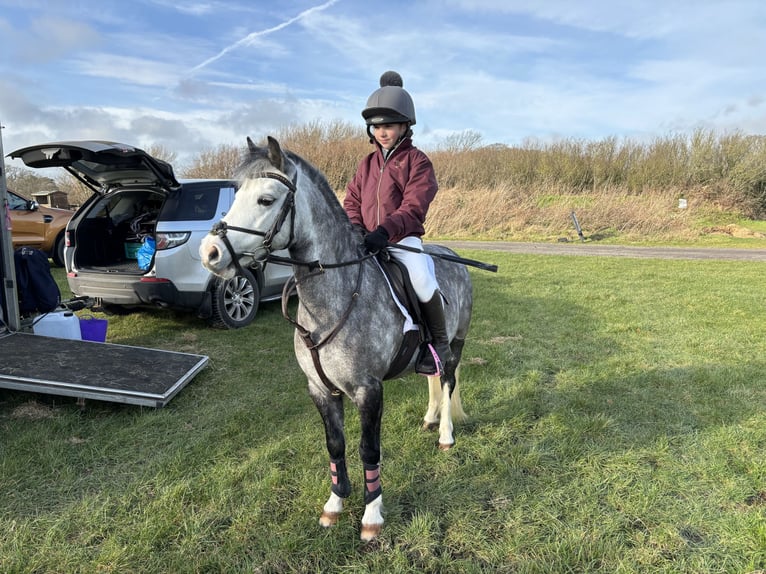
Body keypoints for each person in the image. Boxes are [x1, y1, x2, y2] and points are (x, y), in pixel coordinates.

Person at [344, 71, 450, 376]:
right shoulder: (366, 164)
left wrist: (385, 231)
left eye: (388, 126)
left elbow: (414, 206)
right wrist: (356, 229)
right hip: (366, 240)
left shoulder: (418, 162)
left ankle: (438, 344)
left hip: (402, 239)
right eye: (376, 126)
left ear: (405, 126)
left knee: (421, 277)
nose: (381, 132)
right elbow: (352, 199)